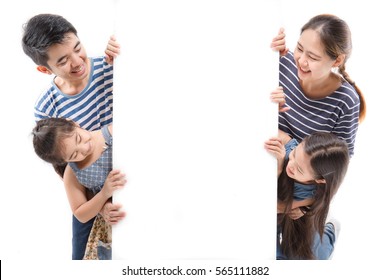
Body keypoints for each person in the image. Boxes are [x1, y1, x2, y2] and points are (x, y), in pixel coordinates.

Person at [22, 13, 123, 259]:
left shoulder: (110, 67)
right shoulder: (46, 107)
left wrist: (124, 50)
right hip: (90, 190)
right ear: (45, 69)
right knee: (83, 256)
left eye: (78, 49)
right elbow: (64, 166)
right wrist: (99, 206)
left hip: (123, 174)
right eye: (63, 60)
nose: (78, 61)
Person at [270, 14, 366, 157]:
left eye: (313, 57)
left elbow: (339, 160)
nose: (301, 61)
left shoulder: (346, 100)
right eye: (300, 48)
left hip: (298, 175)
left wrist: (289, 145)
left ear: (337, 61)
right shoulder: (283, 63)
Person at [32, 118, 126, 259]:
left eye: (78, 138)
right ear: (64, 161)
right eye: (74, 155)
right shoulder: (73, 173)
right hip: (117, 222)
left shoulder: (112, 132)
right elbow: (80, 213)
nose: (84, 148)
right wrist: (103, 194)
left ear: (74, 124)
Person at [265, 129, 350, 259]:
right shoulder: (291, 148)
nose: (291, 164)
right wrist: (280, 163)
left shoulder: (314, 193)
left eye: (299, 169)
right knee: (273, 256)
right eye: (293, 154)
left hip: (293, 219)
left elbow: (278, 206)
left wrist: (279, 169)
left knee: (311, 257)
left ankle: (330, 232)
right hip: (274, 216)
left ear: (319, 180)